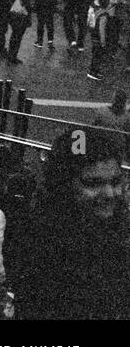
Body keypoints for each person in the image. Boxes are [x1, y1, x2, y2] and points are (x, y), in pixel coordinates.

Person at [10, 127, 130, 318]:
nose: (109, 194)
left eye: (115, 182)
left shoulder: (120, 233)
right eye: (92, 183)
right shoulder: (42, 246)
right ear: (64, 187)